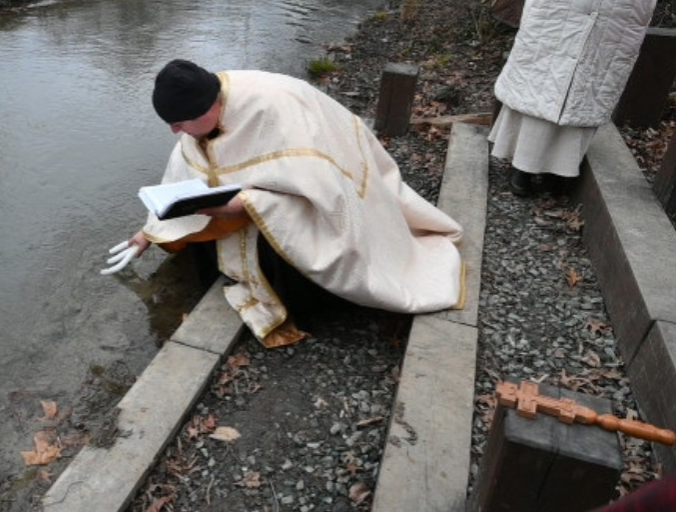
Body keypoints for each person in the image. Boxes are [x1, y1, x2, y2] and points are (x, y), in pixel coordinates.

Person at [122, 59, 465, 347]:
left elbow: (322, 188)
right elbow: (181, 182)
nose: (175, 132)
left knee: (284, 219)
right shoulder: (196, 120)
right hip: (250, 198)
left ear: (207, 108)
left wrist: (244, 204)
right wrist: (149, 231)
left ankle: (305, 299)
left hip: (320, 194)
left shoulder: (277, 111)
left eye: (179, 124)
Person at [488, 0, 674, 196]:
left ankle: (560, 170)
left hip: (623, 6)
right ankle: (522, 164)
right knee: (541, 77)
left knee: (589, 86)